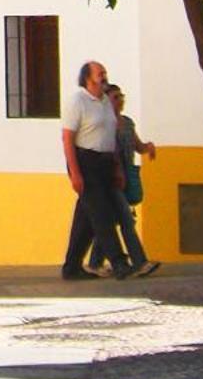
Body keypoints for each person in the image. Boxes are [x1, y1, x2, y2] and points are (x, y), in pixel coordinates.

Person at [61, 60, 135, 280]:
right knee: (102, 213)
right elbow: (67, 138)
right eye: (100, 73)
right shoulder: (78, 101)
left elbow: (110, 136)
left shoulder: (104, 102)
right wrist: (75, 172)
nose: (104, 76)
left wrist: (117, 168)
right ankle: (119, 262)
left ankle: (72, 266)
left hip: (104, 162)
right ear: (88, 77)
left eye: (104, 72)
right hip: (85, 160)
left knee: (86, 216)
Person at [88, 85, 160, 278]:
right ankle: (140, 261)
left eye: (121, 96)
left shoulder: (127, 123)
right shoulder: (103, 125)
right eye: (115, 97)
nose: (120, 100)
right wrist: (116, 169)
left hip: (126, 176)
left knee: (111, 221)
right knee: (127, 220)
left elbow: (136, 145)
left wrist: (147, 148)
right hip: (111, 178)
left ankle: (95, 262)